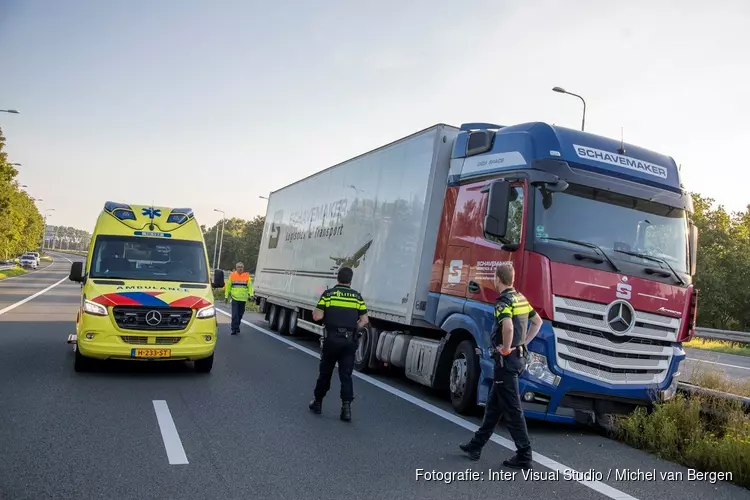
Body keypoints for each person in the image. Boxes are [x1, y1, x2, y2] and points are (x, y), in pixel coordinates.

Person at [459, 262, 542, 469]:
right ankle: (476, 446)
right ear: (512, 279)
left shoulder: (503, 303)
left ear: (497, 279)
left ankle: (524, 455)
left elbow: (507, 326)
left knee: (513, 410)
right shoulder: (521, 299)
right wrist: (524, 343)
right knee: (494, 406)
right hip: (518, 360)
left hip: (506, 362)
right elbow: (538, 322)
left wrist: (506, 348)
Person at [308, 267, 368, 421]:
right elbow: (364, 320)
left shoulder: (328, 294)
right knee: (346, 375)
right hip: (349, 341)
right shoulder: (357, 297)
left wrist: (318, 313)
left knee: (325, 373)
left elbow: (317, 316)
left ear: (338, 278)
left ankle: (318, 402)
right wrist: (354, 329)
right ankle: (346, 409)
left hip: (331, 340)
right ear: (350, 280)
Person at [225, 262, 253, 335]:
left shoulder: (247, 276)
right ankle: (233, 329)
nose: (240, 268)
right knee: (235, 315)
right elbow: (228, 287)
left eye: (241, 267)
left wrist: (251, 294)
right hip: (235, 298)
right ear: (236, 268)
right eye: (239, 267)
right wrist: (226, 296)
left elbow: (250, 286)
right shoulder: (232, 276)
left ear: (243, 268)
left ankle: (237, 326)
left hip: (243, 299)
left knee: (240, 314)